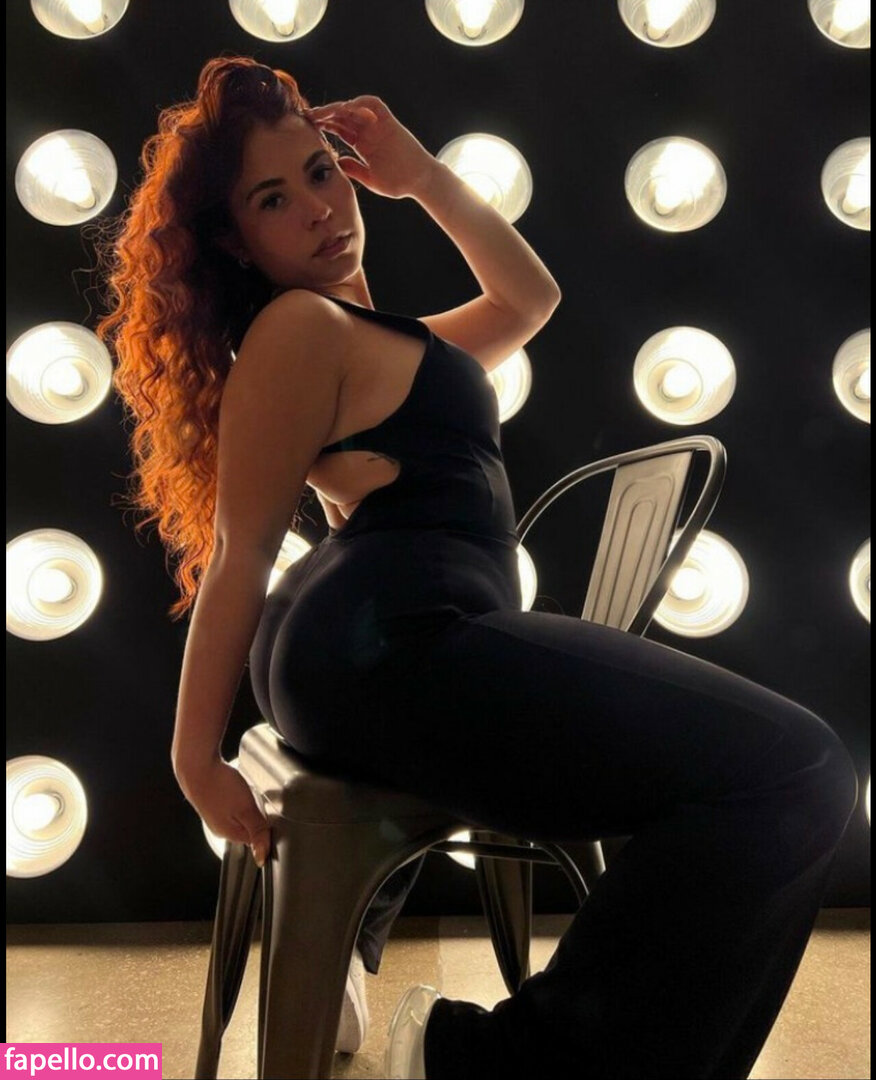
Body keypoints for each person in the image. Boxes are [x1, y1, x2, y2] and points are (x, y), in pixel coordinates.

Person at [95, 56, 858, 1079]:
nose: (319, 208)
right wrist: (194, 760)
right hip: (396, 640)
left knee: (785, 775)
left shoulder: (369, 336)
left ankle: (446, 1024)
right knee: (799, 769)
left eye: (321, 172)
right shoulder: (299, 328)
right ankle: (482, 1063)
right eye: (273, 199)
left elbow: (528, 297)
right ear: (235, 240)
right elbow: (241, 548)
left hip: (388, 639)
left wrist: (418, 175)